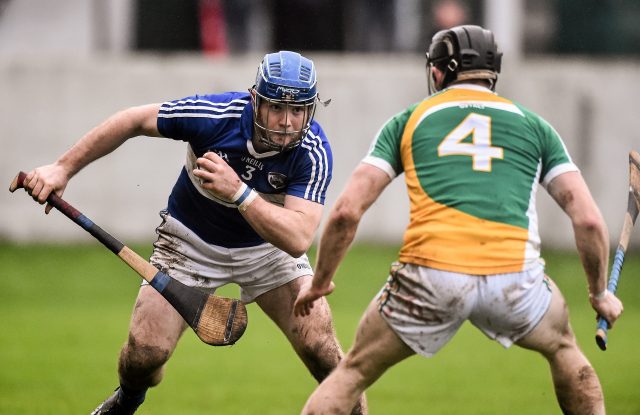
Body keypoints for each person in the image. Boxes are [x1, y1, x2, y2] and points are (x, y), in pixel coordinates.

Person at [294, 25, 624, 414]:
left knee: (352, 373)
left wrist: (319, 283)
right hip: (515, 279)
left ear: (438, 72)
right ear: (493, 71)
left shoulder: (409, 120)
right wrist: (599, 294)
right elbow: (587, 221)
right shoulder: (536, 127)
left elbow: (347, 211)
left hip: (431, 274)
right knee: (564, 348)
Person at [22, 50, 366, 415]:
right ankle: (127, 401)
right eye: (277, 108)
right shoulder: (214, 116)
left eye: (297, 110)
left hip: (269, 252)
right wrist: (62, 169)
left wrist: (238, 192)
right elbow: (134, 120)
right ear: (256, 100)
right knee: (142, 357)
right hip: (189, 244)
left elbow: (298, 238)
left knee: (323, 351)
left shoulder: (313, 150)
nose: (286, 122)